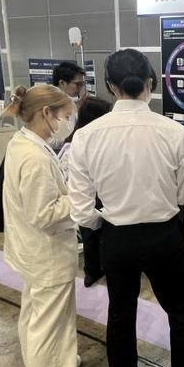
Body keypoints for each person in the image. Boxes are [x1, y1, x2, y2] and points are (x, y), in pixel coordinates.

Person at [68, 49, 184, 367]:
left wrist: (107, 223)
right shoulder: (175, 132)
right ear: (151, 83)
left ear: (110, 86)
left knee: (120, 318)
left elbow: (81, 211)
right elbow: (182, 194)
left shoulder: (86, 136)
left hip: (117, 238)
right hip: (164, 235)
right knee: (180, 313)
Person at [1, 84, 90, 367]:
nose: (68, 122)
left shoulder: (23, 143)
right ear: (47, 113)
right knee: (50, 325)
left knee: (35, 316)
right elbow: (43, 213)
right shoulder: (36, 158)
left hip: (30, 250)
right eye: (66, 115)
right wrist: (79, 196)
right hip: (46, 253)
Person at [58, 97, 113, 287]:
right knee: (95, 234)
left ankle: (93, 271)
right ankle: (97, 270)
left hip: (82, 196)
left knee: (90, 235)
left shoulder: (74, 138)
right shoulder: (88, 141)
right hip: (93, 195)